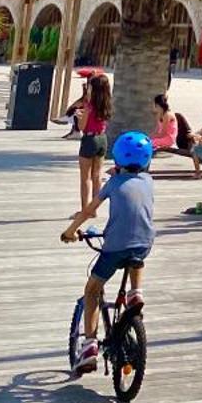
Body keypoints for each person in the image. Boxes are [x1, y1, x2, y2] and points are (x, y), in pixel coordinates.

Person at [60, 129, 155, 373]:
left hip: (115, 247)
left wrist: (69, 232)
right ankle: (136, 292)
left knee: (91, 290)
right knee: (136, 255)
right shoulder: (148, 181)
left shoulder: (112, 182)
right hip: (144, 243)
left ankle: (90, 346)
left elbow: (89, 210)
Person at [78, 71, 112, 213]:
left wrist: (80, 117)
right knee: (96, 176)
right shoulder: (107, 105)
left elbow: (81, 127)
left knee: (85, 177)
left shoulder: (89, 106)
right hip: (102, 139)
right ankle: (94, 209)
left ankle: (85, 209)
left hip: (89, 139)